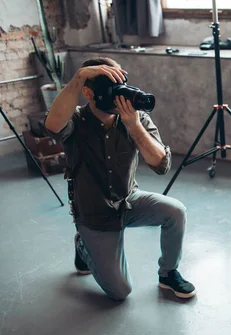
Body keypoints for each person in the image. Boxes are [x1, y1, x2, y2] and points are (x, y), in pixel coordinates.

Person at [45, 57, 196, 300]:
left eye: (121, 83)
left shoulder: (134, 118)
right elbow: (52, 126)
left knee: (175, 211)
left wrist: (134, 126)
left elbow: (161, 165)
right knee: (120, 292)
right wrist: (79, 76)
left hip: (128, 200)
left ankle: (168, 274)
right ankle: (84, 246)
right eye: (111, 87)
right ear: (89, 93)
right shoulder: (75, 120)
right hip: (94, 215)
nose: (120, 94)